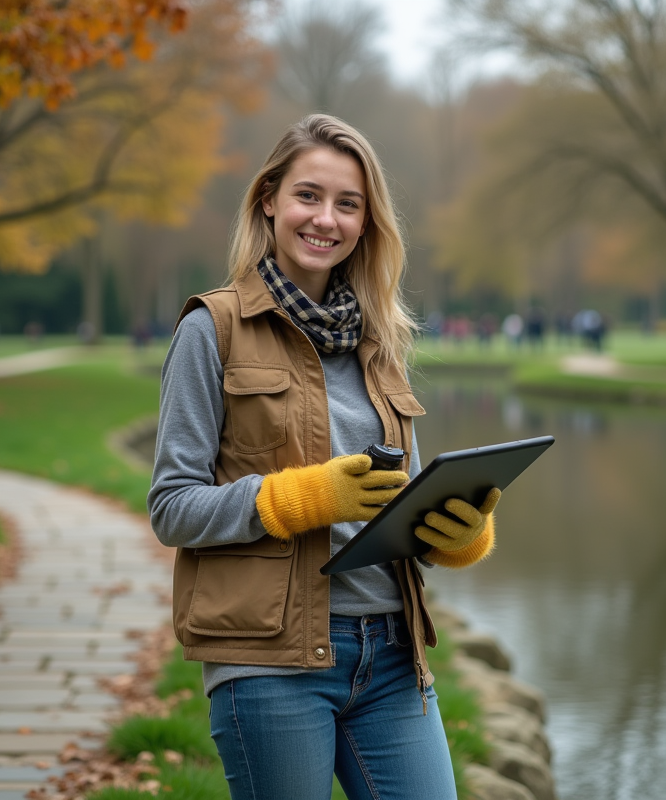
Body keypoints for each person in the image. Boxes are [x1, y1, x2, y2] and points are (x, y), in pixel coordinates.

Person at [147, 115, 498, 800]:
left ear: (367, 222)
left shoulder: (381, 338)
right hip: (270, 661)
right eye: (308, 195)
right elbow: (171, 508)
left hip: (393, 656)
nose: (325, 219)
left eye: (348, 203)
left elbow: (400, 494)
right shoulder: (210, 329)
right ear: (269, 199)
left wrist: (456, 532)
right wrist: (299, 499)